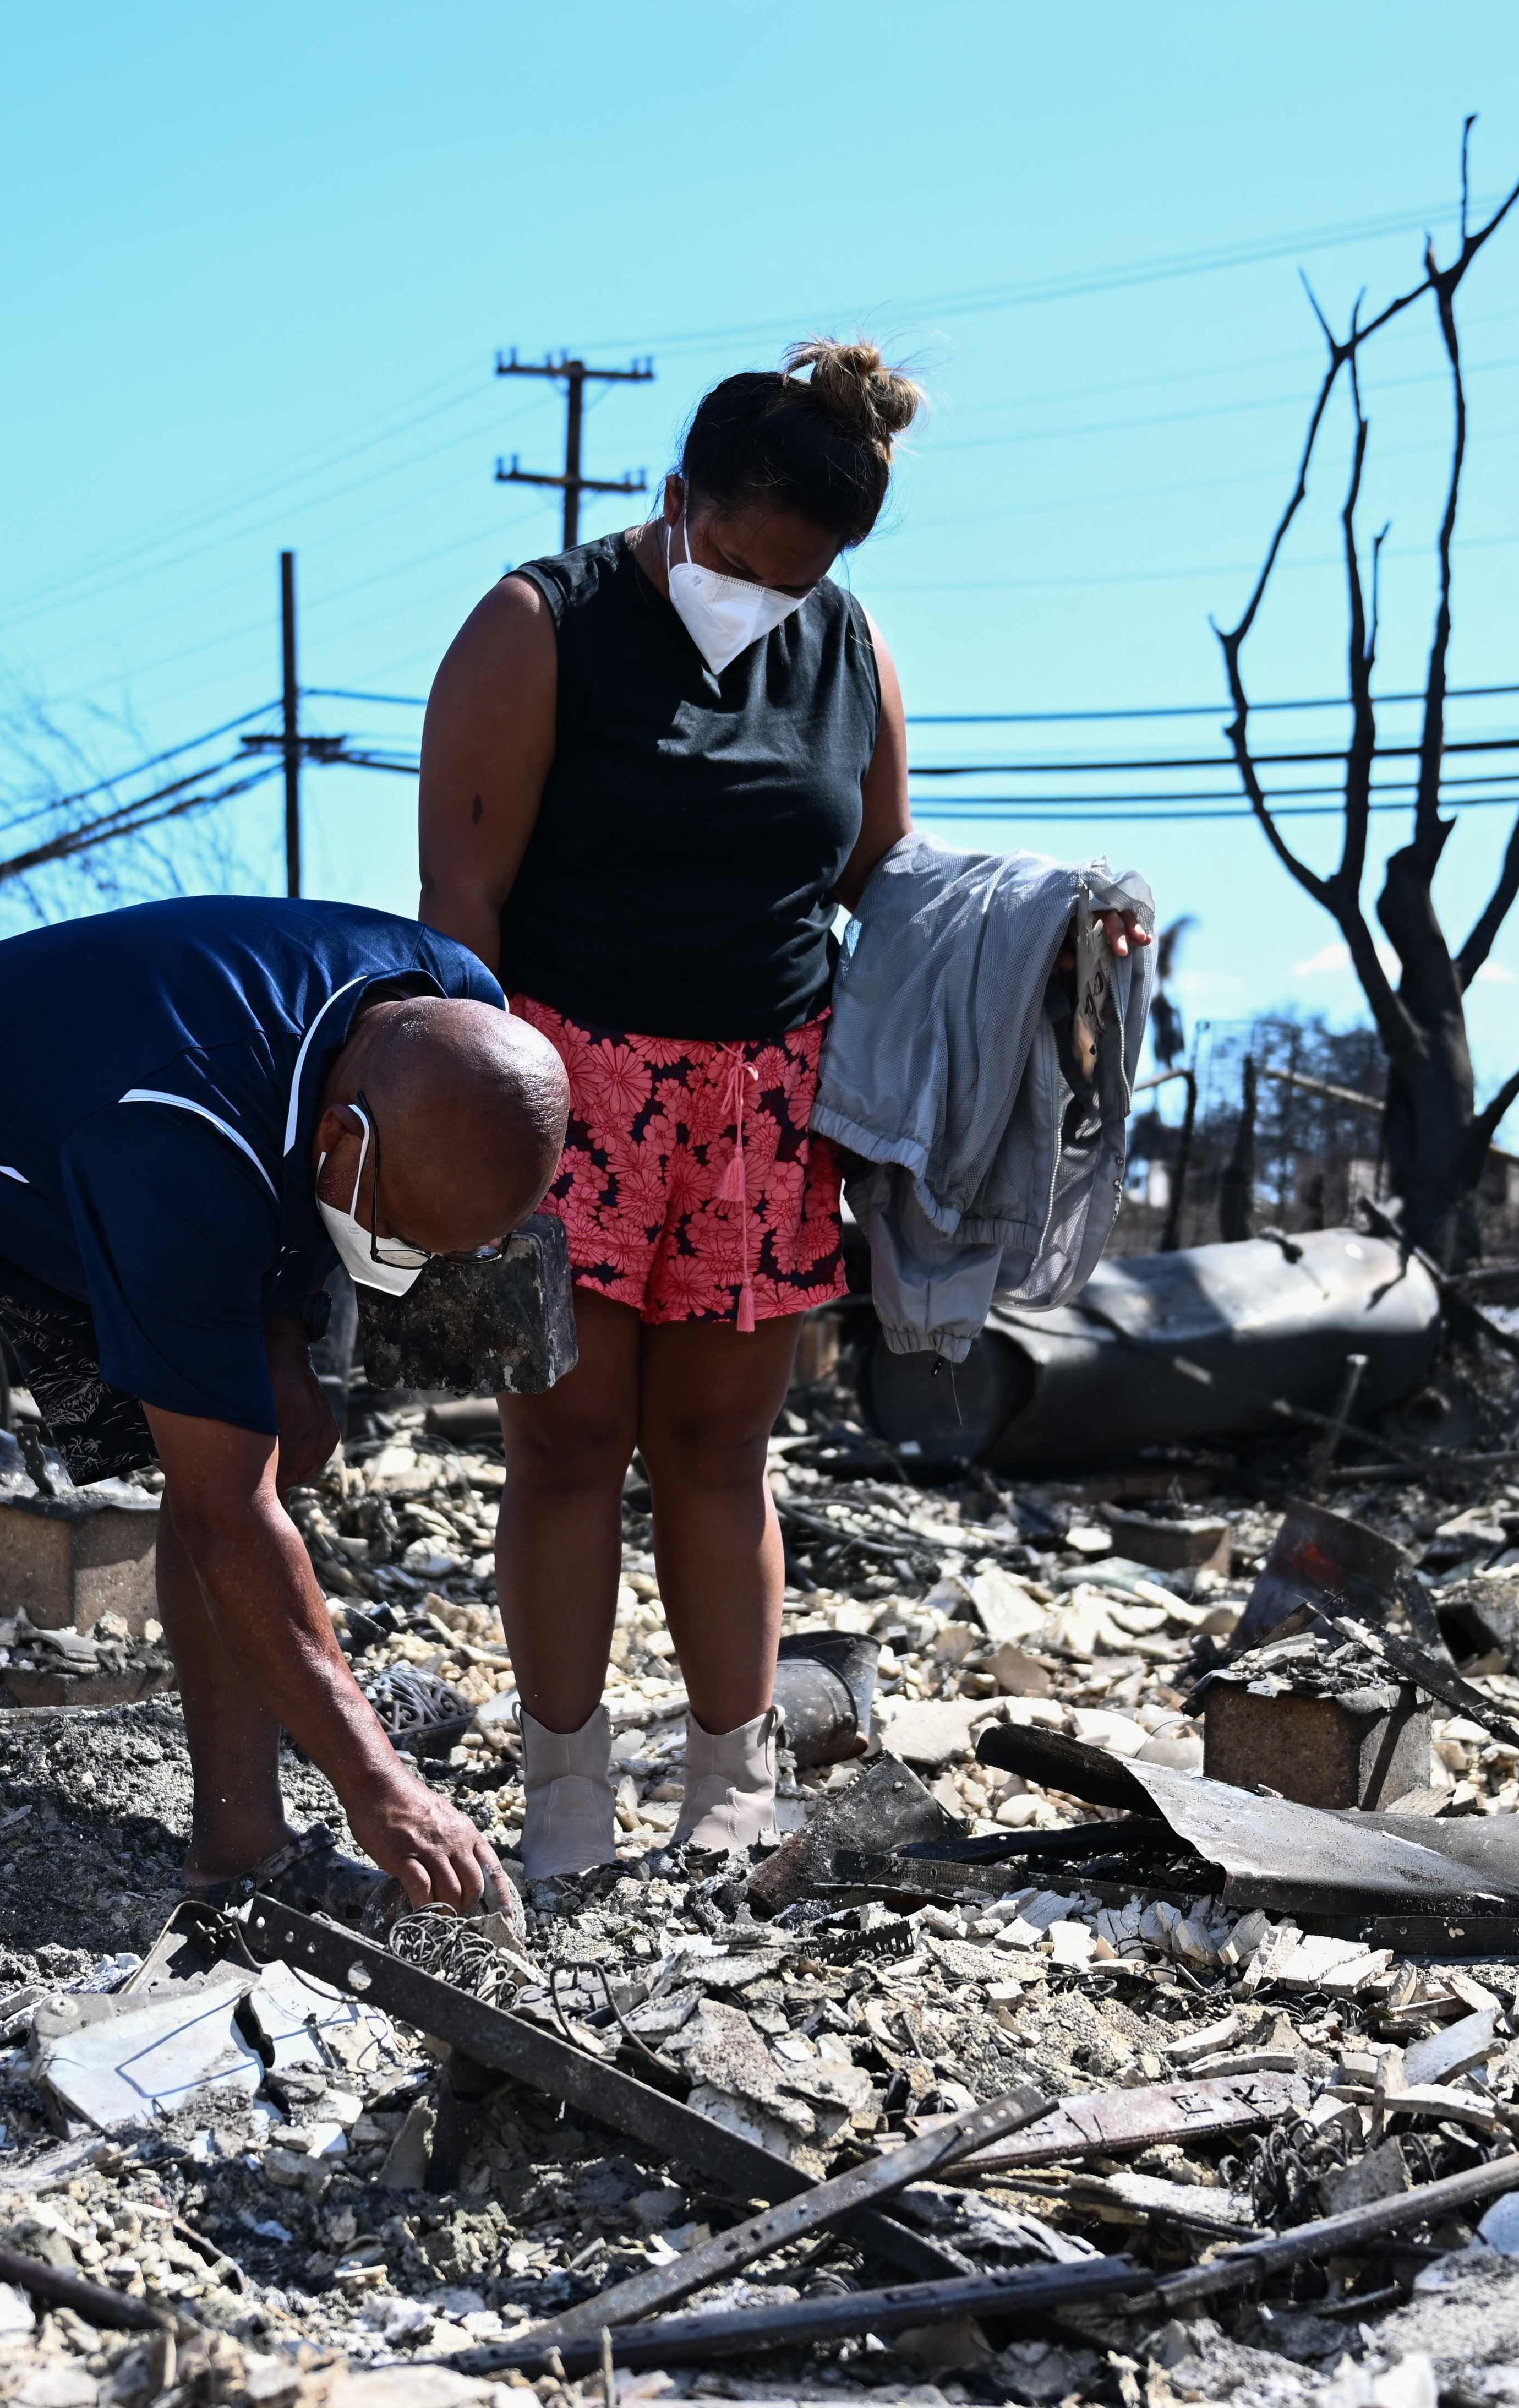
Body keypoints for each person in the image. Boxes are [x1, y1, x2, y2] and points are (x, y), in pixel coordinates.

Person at [0, 897, 569, 1993]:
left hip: (92, 1156)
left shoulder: (459, 1021)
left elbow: (288, 1211)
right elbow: (223, 1509)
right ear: (347, 1138)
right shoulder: (180, 1138)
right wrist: (381, 1781)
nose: (399, 1267)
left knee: (272, 1437)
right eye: (395, 1241)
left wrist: (300, 1330)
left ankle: (246, 1850)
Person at [409, 339, 924, 1878]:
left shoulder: (852, 650)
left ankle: (728, 1787)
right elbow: (459, 901)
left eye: (799, 580)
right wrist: (472, 1140)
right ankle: (566, 1796)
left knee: (720, 1446)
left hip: (764, 1104)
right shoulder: (537, 625)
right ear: (678, 496)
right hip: (563, 1086)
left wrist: (1067, 922)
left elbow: (888, 887)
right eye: (746, 563)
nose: (766, 600)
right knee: (566, 1440)